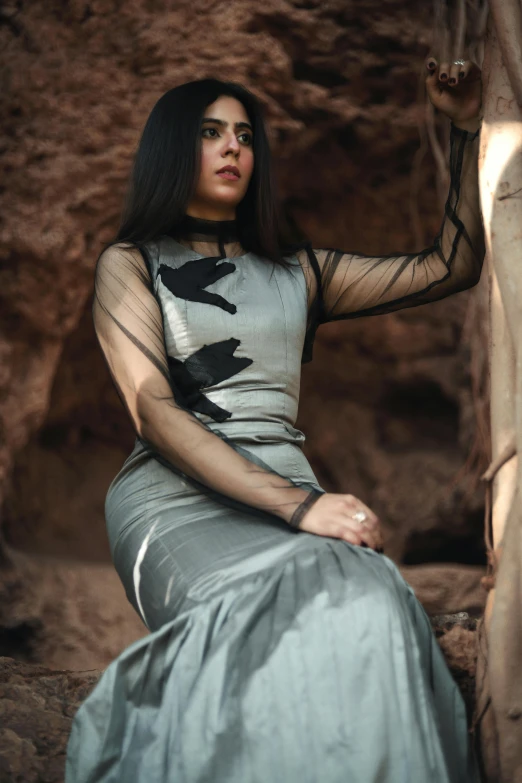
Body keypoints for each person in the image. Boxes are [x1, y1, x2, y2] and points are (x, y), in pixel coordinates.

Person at [65, 54, 484, 783]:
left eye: (245, 135)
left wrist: (466, 132)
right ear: (172, 147)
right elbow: (154, 412)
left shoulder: (299, 273)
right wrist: (304, 508)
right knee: (267, 604)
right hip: (174, 498)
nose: (234, 147)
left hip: (288, 484)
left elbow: (451, 265)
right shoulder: (129, 264)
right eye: (210, 132)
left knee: (373, 597)